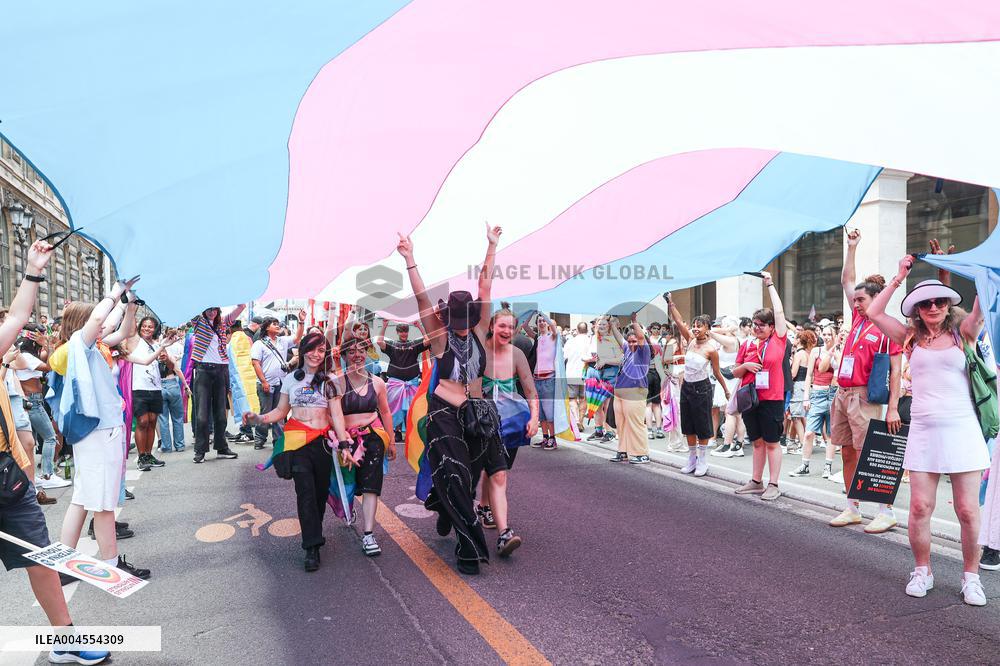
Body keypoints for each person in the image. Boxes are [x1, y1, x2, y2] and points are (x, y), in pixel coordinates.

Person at [0, 240, 114, 664]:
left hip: (6, 476)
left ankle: (64, 639)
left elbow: (16, 316)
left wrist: (32, 269)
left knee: (41, 557)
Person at [867, 257, 989, 606]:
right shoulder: (909, 338)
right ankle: (922, 570)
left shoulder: (963, 333)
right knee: (920, 506)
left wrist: (981, 267)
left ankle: (971, 577)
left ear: (948, 304)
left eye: (939, 301)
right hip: (922, 429)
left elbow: (982, 299)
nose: (933, 306)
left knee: (967, 510)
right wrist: (899, 276)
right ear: (916, 310)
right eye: (925, 303)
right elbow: (875, 313)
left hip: (962, 428)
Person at [397, 222, 504, 575]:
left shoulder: (478, 328)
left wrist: (491, 245)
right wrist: (410, 258)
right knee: (456, 476)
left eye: (464, 317)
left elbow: (485, 283)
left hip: (477, 412)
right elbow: (422, 299)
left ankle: (443, 507)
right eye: (455, 318)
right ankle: (468, 549)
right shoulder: (440, 337)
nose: (460, 323)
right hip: (444, 413)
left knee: (469, 479)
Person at [51, 277, 153, 583]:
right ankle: (111, 564)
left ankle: (64, 566)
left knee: (82, 499)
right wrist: (116, 290)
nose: (103, 325)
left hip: (95, 434)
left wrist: (129, 305)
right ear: (84, 325)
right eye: (97, 321)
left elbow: (121, 329)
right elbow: (100, 318)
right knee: (104, 504)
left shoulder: (90, 348)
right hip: (99, 434)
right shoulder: (79, 346)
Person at [243, 332, 341, 571]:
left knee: (318, 494)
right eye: (312, 349)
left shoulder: (330, 381)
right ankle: (311, 547)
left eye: (321, 350)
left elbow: (337, 415)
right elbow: (279, 412)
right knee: (305, 492)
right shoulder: (290, 380)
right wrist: (258, 418)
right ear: (303, 349)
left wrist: (345, 440)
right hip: (297, 442)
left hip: (323, 443)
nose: (316, 355)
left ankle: (313, 533)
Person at [828, 229, 902, 533]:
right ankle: (852, 507)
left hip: (865, 397)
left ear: (875, 300)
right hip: (843, 394)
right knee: (847, 450)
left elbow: (896, 371)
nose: (855, 304)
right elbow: (847, 280)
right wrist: (852, 248)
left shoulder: (887, 328)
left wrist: (894, 407)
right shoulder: (857, 321)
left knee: (872, 451)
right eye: (855, 300)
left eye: (861, 299)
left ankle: (887, 510)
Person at [478, 306, 538, 554]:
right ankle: (499, 525)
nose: (507, 331)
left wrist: (534, 418)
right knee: (494, 471)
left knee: (499, 470)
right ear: (492, 326)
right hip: (481, 419)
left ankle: (484, 507)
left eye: (511, 327)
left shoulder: (517, 354)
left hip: (511, 421)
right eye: (502, 325)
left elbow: (531, 391)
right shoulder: (479, 351)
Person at [331, 337, 396, 556]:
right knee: (347, 487)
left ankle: (368, 534)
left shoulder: (377, 382)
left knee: (371, 486)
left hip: (373, 438)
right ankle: (347, 509)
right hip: (344, 442)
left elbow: (385, 412)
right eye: (352, 351)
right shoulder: (337, 382)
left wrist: (392, 441)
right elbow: (331, 413)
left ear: (368, 353)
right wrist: (342, 440)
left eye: (361, 350)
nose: (357, 355)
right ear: (344, 356)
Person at [733, 271, 789, 501]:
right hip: (750, 398)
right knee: (756, 442)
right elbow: (735, 372)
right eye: (754, 324)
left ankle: (774, 484)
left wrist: (770, 284)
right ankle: (756, 481)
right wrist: (746, 365)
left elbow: (779, 311)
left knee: (772, 443)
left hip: (772, 398)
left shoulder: (778, 339)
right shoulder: (748, 344)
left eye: (761, 325)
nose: (756, 328)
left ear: (771, 326)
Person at [667, 297, 730, 476]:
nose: (695, 328)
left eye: (700, 326)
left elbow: (717, 373)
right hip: (686, 387)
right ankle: (692, 458)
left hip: (703, 389)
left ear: (708, 329)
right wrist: (671, 302)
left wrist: (726, 390)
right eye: (694, 325)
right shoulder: (690, 341)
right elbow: (679, 321)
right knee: (688, 425)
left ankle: (703, 461)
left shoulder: (712, 350)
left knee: (702, 425)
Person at [12, 324, 69, 492]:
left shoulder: (29, 355)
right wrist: (48, 345)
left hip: (32, 401)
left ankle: (36, 475)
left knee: (32, 441)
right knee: (50, 437)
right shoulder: (26, 357)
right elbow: (49, 365)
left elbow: (48, 356)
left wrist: (48, 344)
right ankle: (47, 475)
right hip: (32, 402)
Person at [190, 303, 246, 463]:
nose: (212, 312)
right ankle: (200, 450)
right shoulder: (198, 322)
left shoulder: (222, 324)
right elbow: (190, 307)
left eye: (214, 309)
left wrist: (239, 301)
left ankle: (221, 447)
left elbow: (241, 308)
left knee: (221, 413)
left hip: (221, 370)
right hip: (203, 370)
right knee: (202, 415)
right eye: (208, 309)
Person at [130, 316, 180, 469]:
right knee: (143, 421)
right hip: (139, 387)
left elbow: (171, 366)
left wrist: (166, 359)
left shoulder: (158, 344)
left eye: (150, 327)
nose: (147, 329)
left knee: (152, 421)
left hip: (156, 388)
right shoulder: (135, 341)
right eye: (144, 326)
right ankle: (141, 457)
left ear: (155, 329)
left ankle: (148, 455)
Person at [250, 312, 305, 450]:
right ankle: (260, 438)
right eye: (274, 324)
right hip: (266, 383)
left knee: (280, 413)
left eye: (277, 323)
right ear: (267, 327)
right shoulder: (259, 344)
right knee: (265, 412)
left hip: (281, 382)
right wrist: (263, 382)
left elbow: (298, 338)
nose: (278, 326)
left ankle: (278, 441)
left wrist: (301, 322)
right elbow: (256, 363)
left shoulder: (282, 341)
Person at [790, 325, 838, 478]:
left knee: (830, 434)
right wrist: (806, 397)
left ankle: (828, 467)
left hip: (833, 394)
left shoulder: (838, 352)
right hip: (817, 393)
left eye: (829, 334)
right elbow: (809, 375)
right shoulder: (816, 351)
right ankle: (804, 465)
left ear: (834, 335)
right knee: (809, 433)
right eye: (824, 333)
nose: (826, 336)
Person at [376, 319, 430, 442]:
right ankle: (397, 431)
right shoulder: (392, 345)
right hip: (396, 383)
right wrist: (384, 325)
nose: (404, 334)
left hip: (412, 382)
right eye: (401, 331)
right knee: (396, 408)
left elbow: (428, 341)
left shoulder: (414, 344)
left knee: (411, 408)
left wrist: (419, 326)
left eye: (405, 331)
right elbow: (379, 341)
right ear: (397, 332)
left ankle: (411, 431)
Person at [608, 313, 652, 464]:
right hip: (620, 390)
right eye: (630, 341)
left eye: (634, 341)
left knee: (635, 422)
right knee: (621, 423)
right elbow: (619, 338)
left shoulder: (643, 351)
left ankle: (642, 453)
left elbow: (640, 337)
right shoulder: (627, 349)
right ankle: (623, 451)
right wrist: (613, 324)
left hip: (635, 390)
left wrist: (634, 322)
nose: (632, 343)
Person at [584, 316, 622, 442]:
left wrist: (605, 359)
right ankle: (598, 430)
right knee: (596, 403)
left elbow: (621, 360)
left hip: (609, 372)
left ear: (609, 326)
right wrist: (591, 359)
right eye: (599, 324)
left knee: (607, 404)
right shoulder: (593, 338)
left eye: (604, 324)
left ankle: (609, 431)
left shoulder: (614, 340)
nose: (601, 326)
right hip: (594, 371)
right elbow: (585, 355)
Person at [785, 330, 816, 459]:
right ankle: (792, 443)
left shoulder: (799, 354)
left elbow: (793, 373)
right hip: (807, 386)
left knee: (796, 417)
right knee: (802, 416)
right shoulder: (810, 354)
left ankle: (804, 445)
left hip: (798, 386)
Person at [530, 313, 559, 450]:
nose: (541, 323)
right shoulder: (538, 337)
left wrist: (543, 313)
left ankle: (553, 439)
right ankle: (545, 437)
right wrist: (531, 313)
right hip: (537, 378)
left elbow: (553, 326)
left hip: (548, 378)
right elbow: (523, 326)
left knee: (548, 411)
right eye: (539, 321)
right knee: (540, 412)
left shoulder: (552, 337)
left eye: (543, 321)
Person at [157, 339, 189, 453]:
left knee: (163, 419)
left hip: (160, 387)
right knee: (177, 418)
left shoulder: (154, 358)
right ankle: (179, 445)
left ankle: (166, 446)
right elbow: (178, 371)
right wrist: (185, 385)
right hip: (173, 386)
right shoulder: (170, 357)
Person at [563, 322, 591, 431]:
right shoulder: (590, 341)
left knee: (572, 398)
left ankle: (576, 421)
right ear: (587, 330)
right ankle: (581, 420)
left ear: (577, 330)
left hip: (571, 373)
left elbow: (564, 356)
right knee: (584, 398)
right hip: (586, 373)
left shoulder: (570, 341)